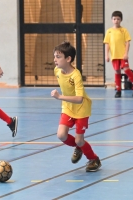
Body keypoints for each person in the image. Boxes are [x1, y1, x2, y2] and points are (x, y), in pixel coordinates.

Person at [50, 41, 101, 172]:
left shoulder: (76, 75)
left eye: (58, 57)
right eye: (54, 56)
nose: (55, 60)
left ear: (68, 59)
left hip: (81, 109)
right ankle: (80, 147)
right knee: (61, 135)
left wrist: (60, 97)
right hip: (67, 108)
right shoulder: (57, 70)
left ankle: (94, 159)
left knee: (79, 140)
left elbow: (79, 99)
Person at [103, 11, 133, 98]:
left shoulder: (124, 30)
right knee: (117, 72)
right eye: (114, 19)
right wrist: (106, 55)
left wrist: (126, 53)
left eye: (118, 19)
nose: (116, 20)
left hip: (122, 55)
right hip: (114, 56)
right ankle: (118, 90)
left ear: (121, 20)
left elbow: (128, 42)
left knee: (126, 70)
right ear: (111, 20)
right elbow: (107, 44)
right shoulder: (109, 31)